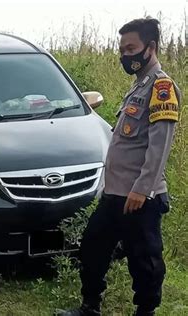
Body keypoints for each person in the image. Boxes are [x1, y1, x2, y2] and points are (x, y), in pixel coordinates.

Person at [58, 18, 181, 316]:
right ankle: (90, 307)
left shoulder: (161, 87)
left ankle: (145, 312)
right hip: (114, 193)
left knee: (145, 261)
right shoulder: (137, 86)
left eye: (131, 48)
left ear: (150, 48)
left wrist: (142, 189)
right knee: (92, 249)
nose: (125, 55)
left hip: (139, 196)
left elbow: (159, 145)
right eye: (122, 49)